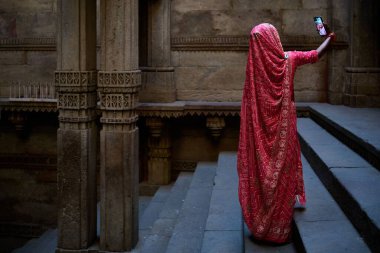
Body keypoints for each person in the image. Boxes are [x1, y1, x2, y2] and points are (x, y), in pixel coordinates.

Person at [237, 23, 335, 244]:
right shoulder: (289, 61)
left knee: (262, 173)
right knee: (282, 173)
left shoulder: (255, 74)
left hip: (260, 135)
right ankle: (278, 228)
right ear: (274, 40)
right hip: (284, 130)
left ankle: (262, 224)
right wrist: (329, 37)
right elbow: (315, 55)